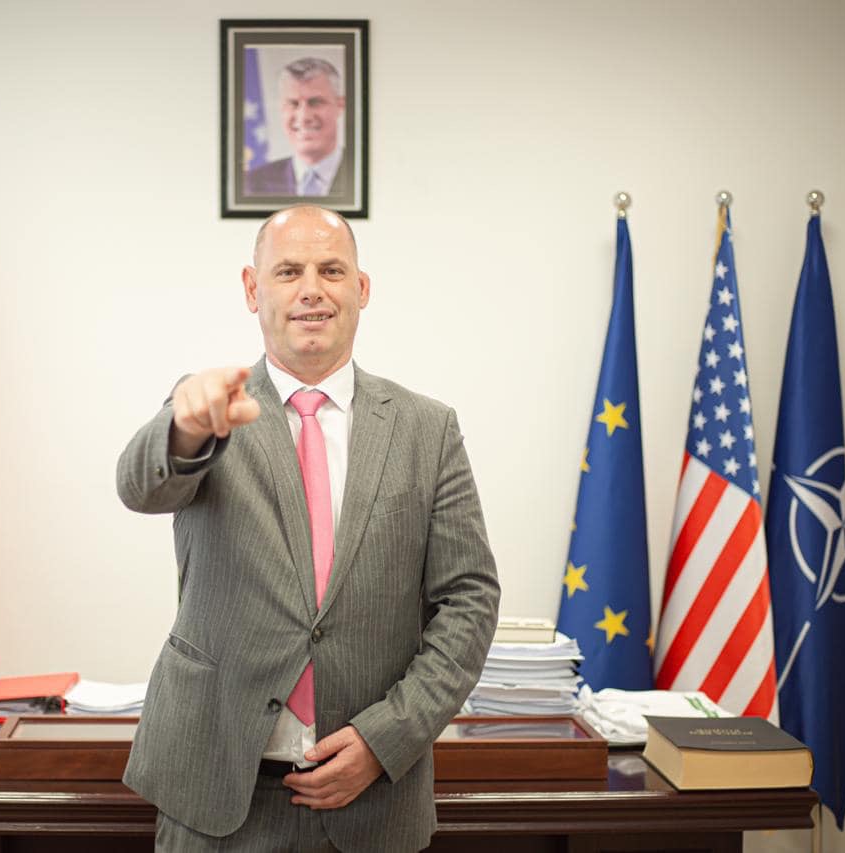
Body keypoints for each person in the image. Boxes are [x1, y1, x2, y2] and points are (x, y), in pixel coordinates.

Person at [117, 205, 500, 851]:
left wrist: (386, 738)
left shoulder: (427, 429)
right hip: (216, 790)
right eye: (289, 271)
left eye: (332, 270)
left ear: (362, 288)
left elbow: (469, 599)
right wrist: (183, 429)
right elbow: (141, 487)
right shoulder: (209, 409)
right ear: (252, 288)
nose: (312, 289)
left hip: (372, 800)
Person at [245, 58, 352, 198]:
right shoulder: (252, 185)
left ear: (340, 106)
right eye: (293, 104)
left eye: (315, 102)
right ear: (282, 109)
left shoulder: (366, 172)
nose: (304, 116)